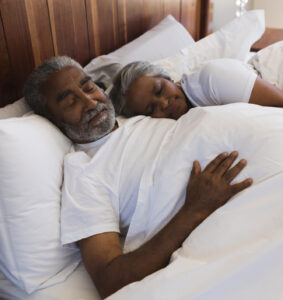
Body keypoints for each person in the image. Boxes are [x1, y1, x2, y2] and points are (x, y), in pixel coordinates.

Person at [24, 56, 252, 298]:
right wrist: (194, 210)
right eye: (71, 102)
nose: (90, 102)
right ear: (54, 121)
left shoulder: (135, 115)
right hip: (230, 206)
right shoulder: (83, 172)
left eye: (89, 87)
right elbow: (109, 279)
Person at [110, 59, 283, 119]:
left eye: (159, 90)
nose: (164, 103)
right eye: (151, 109)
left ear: (166, 77)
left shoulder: (212, 78)